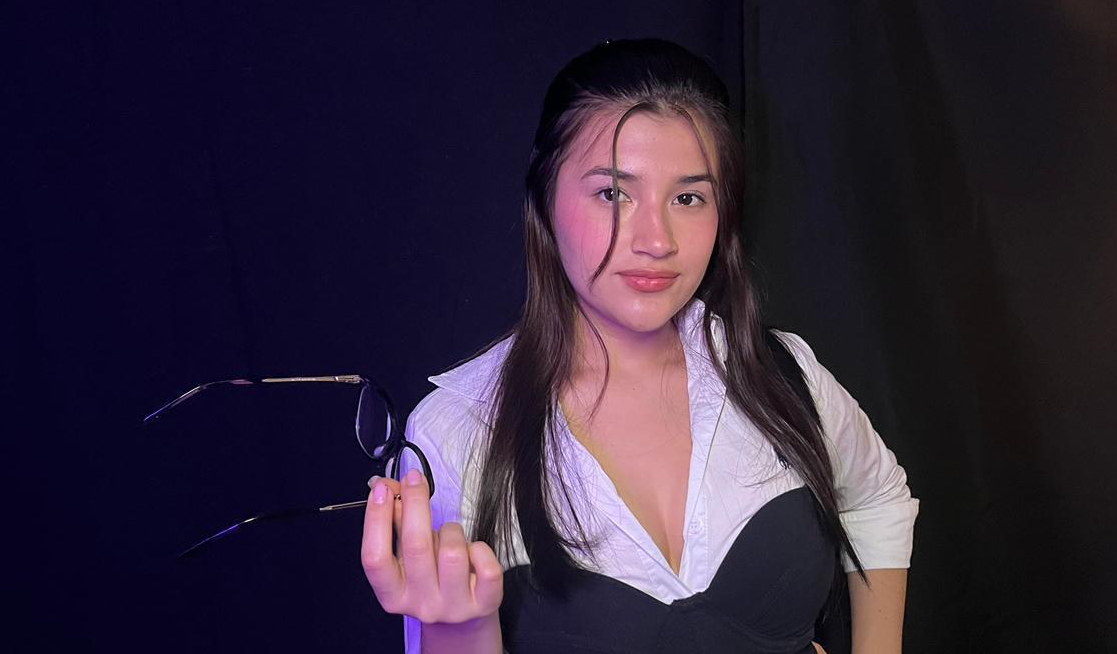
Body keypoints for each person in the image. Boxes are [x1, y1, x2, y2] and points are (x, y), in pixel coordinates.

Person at [361, 38, 918, 654]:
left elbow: (878, 498)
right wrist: (457, 629)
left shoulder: (777, 373)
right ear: (544, 199)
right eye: (613, 194)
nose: (657, 240)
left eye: (688, 198)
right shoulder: (459, 431)